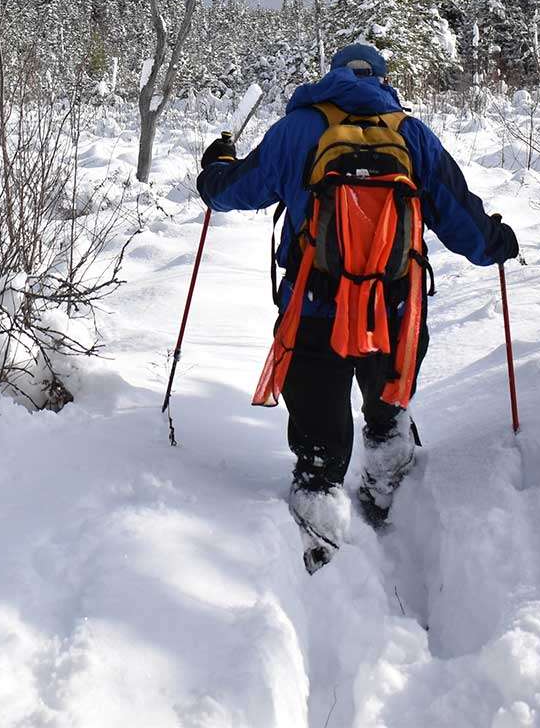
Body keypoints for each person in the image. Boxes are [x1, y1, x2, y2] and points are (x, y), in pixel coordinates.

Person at [197, 42, 518, 564]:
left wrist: (215, 168)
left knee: (319, 438)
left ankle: (321, 541)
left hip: (314, 310)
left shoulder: (299, 130)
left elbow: (234, 191)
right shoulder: (411, 134)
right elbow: (461, 217)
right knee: (387, 412)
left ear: (332, 76)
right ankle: (390, 497)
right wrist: (496, 242)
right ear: (384, 80)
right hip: (395, 315)